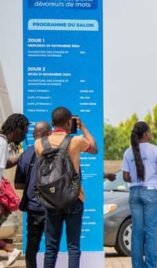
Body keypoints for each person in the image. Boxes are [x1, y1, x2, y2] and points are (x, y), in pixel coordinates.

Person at [35, 107, 98, 268]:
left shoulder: (39, 144)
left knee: (51, 247)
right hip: (73, 198)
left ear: (52, 122)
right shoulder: (75, 141)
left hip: (51, 199)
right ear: (69, 122)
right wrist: (82, 126)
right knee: (73, 247)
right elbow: (94, 148)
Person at [122, 121, 157, 268]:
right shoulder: (156, 150)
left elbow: (125, 177)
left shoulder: (128, 152)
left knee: (137, 232)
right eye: (151, 131)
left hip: (134, 193)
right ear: (146, 134)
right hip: (150, 192)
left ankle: (137, 266)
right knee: (150, 233)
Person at [15, 121, 51, 268]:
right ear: (49, 134)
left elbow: (17, 184)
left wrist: (31, 184)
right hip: (52, 206)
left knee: (32, 246)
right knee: (51, 246)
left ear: (34, 134)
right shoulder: (55, 152)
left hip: (33, 207)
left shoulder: (26, 154)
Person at [0, 113, 30, 267]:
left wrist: (23, 155)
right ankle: (10, 249)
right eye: (24, 130)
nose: (25, 134)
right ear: (16, 129)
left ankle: (10, 250)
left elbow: (6, 163)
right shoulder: (2, 142)